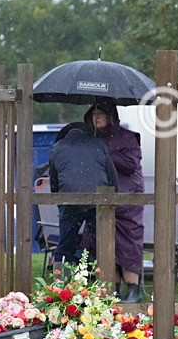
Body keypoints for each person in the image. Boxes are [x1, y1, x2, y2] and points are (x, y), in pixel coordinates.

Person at [84, 100, 145, 302]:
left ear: (111, 116)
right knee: (104, 243)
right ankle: (114, 289)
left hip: (128, 199)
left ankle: (133, 289)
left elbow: (130, 164)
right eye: (94, 113)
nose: (97, 117)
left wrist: (106, 154)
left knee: (128, 245)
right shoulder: (90, 139)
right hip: (101, 198)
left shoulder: (127, 138)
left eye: (101, 113)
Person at [47, 122, 118, 269]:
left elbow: (54, 180)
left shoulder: (57, 148)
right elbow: (112, 175)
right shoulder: (98, 144)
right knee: (102, 243)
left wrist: (59, 201)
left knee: (66, 243)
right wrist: (113, 199)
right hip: (98, 200)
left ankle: (60, 285)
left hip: (69, 200)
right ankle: (106, 283)